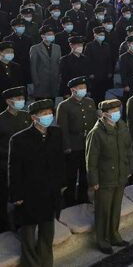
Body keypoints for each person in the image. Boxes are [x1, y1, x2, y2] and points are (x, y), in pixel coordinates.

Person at [9, 98, 64, 266]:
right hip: (29, 194)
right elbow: (15, 169)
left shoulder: (56, 133)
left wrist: (62, 183)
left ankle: (46, 263)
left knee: (47, 234)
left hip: (49, 193)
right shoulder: (19, 139)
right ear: (34, 117)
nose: (49, 116)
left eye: (50, 113)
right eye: (44, 114)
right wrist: (16, 194)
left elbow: (60, 161)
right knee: (28, 235)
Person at [86, 99, 132, 254]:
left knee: (115, 207)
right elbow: (91, 160)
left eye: (117, 109)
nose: (116, 113)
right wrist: (94, 181)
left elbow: (128, 149)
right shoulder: (96, 133)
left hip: (120, 175)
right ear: (104, 114)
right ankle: (103, 239)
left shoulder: (122, 126)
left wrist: (129, 168)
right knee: (103, 210)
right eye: (113, 111)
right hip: (104, 177)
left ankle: (114, 235)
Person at [55, 76, 97, 207]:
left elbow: (94, 123)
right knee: (71, 174)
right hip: (73, 144)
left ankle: (83, 197)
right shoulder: (64, 105)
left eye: (84, 87)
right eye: (80, 88)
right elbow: (62, 128)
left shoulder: (89, 102)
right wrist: (66, 146)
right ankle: (69, 199)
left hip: (87, 143)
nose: (83, 90)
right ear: (73, 89)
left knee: (86, 173)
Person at [0, 87, 31, 232]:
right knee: (5, 196)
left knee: (23, 195)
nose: (21, 101)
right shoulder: (1, 119)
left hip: (26, 164)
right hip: (5, 164)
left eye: (22, 98)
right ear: (8, 101)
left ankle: (21, 223)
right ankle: (4, 226)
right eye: (17, 99)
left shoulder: (26, 116)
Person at [29, 25, 61, 100]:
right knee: (40, 105)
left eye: (52, 34)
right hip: (41, 81)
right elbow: (33, 66)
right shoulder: (35, 48)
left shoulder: (57, 47)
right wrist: (36, 81)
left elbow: (58, 64)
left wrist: (59, 79)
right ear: (42, 36)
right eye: (49, 34)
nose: (51, 36)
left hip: (54, 81)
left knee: (52, 104)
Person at [0, 42, 24, 110]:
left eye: (12, 51)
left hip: (15, 101)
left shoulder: (17, 66)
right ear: (1, 52)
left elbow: (21, 83)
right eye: (7, 51)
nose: (10, 53)